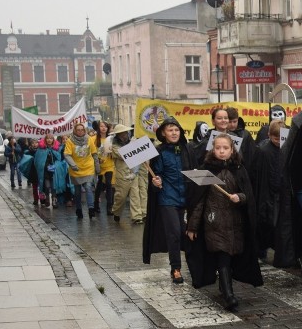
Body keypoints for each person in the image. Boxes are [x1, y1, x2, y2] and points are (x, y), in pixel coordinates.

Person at [186, 133, 263, 310]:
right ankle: (229, 295)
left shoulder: (239, 169)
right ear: (213, 149)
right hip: (214, 223)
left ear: (232, 149)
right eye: (218, 148)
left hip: (235, 225)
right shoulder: (207, 170)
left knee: (230, 257)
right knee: (222, 256)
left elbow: (249, 196)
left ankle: (224, 286)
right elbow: (199, 202)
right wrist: (192, 226)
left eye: (225, 148)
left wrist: (240, 197)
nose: (221, 151)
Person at [143, 117, 196, 284]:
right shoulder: (158, 152)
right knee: (173, 233)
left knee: (188, 234)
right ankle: (176, 268)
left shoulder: (188, 149)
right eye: (170, 130)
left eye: (176, 129)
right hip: (168, 199)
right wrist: (156, 181)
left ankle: (196, 267)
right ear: (163, 133)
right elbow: (155, 175)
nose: (174, 133)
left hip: (187, 198)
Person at [251, 119, 296, 267]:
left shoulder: (288, 148)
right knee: (270, 223)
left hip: (283, 193)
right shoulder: (263, 151)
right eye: (276, 138)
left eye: (281, 138)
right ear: (269, 135)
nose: (278, 141)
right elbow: (260, 177)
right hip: (269, 194)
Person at [108, 124, 148, 224]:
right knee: (121, 197)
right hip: (122, 175)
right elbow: (125, 155)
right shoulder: (114, 146)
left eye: (125, 133)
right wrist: (136, 147)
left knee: (135, 195)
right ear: (117, 135)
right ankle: (116, 212)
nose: (124, 135)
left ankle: (137, 217)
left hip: (134, 173)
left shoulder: (132, 142)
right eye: (122, 133)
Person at [64, 122, 100, 220]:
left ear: (84, 130)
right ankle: (79, 209)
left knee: (88, 187)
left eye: (82, 129)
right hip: (76, 169)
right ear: (75, 131)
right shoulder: (70, 141)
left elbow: (94, 153)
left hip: (88, 168)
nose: (80, 131)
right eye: (78, 130)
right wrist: (73, 164)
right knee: (77, 191)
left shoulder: (88, 139)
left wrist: (97, 166)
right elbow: (67, 154)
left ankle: (91, 209)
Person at [32, 134, 67, 209]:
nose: (49, 140)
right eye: (48, 138)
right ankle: (47, 198)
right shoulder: (41, 150)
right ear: (45, 140)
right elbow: (37, 161)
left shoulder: (56, 149)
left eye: (51, 138)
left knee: (54, 187)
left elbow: (59, 158)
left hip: (54, 171)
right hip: (45, 172)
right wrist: (42, 166)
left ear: (53, 140)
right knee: (47, 186)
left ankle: (54, 201)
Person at [93, 121, 115, 215]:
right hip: (99, 166)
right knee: (99, 186)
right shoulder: (93, 139)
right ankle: (96, 204)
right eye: (101, 126)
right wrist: (97, 159)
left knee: (109, 184)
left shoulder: (111, 139)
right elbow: (92, 152)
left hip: (109, 165)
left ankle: (109, 206)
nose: (103, 128)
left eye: (105, 126)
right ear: (98, 128)